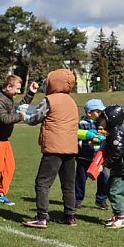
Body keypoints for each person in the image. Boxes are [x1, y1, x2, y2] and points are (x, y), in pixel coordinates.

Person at [20, 69, 79, 228]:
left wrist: (23, 115)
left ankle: (41, 217)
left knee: (43, 183)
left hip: (53, 148)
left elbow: (35, 118)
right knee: (68, 184)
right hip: (70, 148)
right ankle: (70, 216)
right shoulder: (72, 102)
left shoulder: (49, 100)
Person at [0, 75, 39, 205]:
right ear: (9, 86)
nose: (18, 91)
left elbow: (20, 108)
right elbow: (4, 119)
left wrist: (31, 92)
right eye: (17, 89)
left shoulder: (8, 98)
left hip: (5, 139)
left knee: (9, 167)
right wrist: (20, 116)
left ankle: (0, 194)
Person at [98, 105, 124, 229]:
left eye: (102, 119)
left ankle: (121, 217)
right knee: (109, 188)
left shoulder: (116, 132)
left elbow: (117, 153)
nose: (100, 121)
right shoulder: (114, 131)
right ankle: (117, 215)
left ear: (111, 119)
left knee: (115, 192)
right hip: (119, 167)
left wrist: (104, 165)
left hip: (123, 168)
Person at [75, 99, 109, 209]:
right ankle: (77, 200)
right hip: (83, 157)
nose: (100, 114)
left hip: (98, 158)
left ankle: (101, 199)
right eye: (98, 112)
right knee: (80, 179)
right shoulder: (81, 124)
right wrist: (86, 144)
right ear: (89, 113)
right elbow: (75, 139)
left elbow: (105, 136)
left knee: (104, 177)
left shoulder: (102, 123)